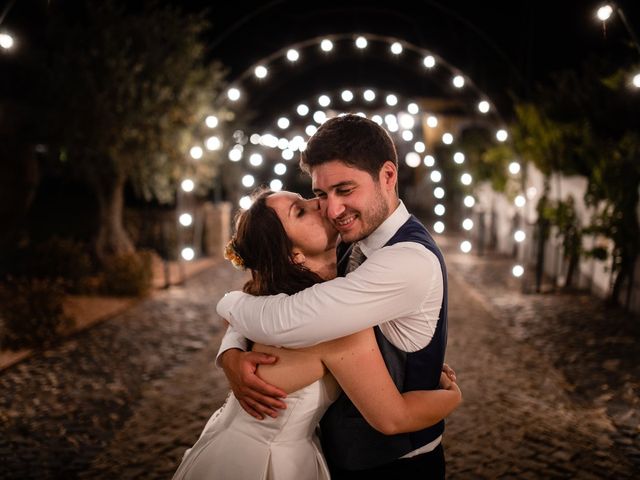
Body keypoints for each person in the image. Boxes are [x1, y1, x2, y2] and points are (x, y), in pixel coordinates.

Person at [216, 113, 451, 478]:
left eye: (345, 190)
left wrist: (230, 305)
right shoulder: (343, 243)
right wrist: (230, 350)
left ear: (388, 176)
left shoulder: (408, 261)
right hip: (327, 456)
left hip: (397, 465)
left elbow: (289, 319)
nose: (332, 210)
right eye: (321, 195)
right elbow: (278, 300)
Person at [172, 188, 461, 480]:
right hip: (264, 461)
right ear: (293, 254)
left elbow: (238, 311)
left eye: (306, 197)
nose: (318, 204)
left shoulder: (274, 299)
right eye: (299, 211)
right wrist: (453, 397)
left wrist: (230, 351)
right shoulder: (330, 324)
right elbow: (393, 418)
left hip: (234, 445)